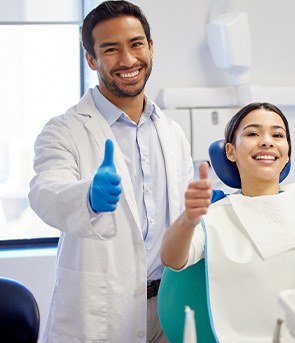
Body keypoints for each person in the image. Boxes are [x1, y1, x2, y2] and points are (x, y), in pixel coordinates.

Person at [28, 1, 193, 342]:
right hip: (101, 312)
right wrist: (87, 196)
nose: (128, 60)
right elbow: (44, 192)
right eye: (111, 49)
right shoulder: (64, 130)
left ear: (150, 46)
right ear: (91, 59)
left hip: (167, 307)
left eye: (136, 44)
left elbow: (179, 219)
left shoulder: (171, 131)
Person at [161, 102, 295, 342]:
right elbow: (173, 259)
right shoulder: (215, 217)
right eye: (252, 133)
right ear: (230, 151)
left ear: (287, 151)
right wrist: (188, 219)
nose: (267, 141)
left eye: (278, 134)